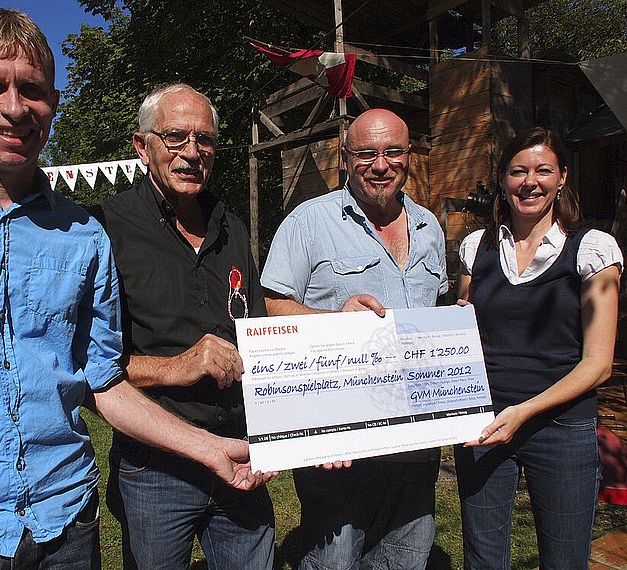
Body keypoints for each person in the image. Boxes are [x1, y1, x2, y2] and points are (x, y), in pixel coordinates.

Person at [0, 11, 269, 570]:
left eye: (31, 90)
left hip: (66, 528)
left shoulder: (82, 233)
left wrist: (211, 450)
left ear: (52, 101)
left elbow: (101, 381)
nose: (14, 107)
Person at [89, 83, 275, 570]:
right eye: (175, 137)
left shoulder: (231, 226)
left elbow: (260, 336)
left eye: (205, 140)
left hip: (240, 456)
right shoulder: (104, 229)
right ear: (141, 146)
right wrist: (175, 367)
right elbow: (85, 366)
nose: (191, 153)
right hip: (157, 469)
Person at [261, 108, 448, 570]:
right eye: (366, 153)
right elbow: (272, 307)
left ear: (409, 156)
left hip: (416, 433)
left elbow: (437, 308)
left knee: (408, 552)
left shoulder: (430, 228)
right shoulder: (308, 222)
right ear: (345, 159)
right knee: (335, 559)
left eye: (392, 152)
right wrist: (333, 320)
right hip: (342, 439)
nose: (380, 165)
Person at [455, 127, 621, 570]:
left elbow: (599, 364)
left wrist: (524, 411)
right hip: (484, 422)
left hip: (562, 428)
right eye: (518, 171)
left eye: (543, 170)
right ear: (503, 181)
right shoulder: (477, 248)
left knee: (564, 559)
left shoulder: (593, 250)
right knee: (483, 557)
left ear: (562, 177)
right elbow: (466, 332)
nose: (531, 181)